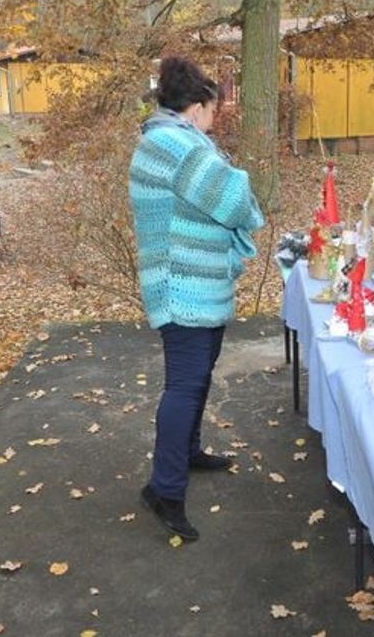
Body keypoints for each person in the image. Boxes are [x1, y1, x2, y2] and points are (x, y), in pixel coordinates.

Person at [129, 56, 265, 541]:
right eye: (213, 110)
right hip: (183, 287)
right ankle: (164, 489)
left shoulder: (168, 142)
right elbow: (234, 201)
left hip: (192, 283)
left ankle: (185, 454)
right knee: (184, 386)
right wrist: (242, 179)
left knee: (196, 376)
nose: (215, 120)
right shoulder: (178, 146)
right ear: (197, 106)